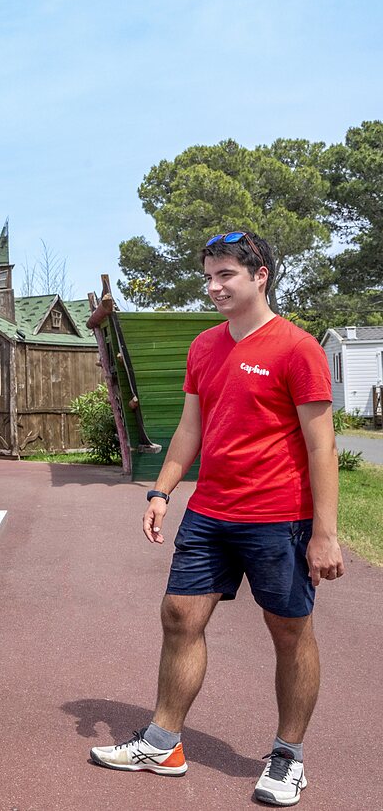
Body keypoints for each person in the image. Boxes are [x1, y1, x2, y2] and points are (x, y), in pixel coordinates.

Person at [88, 230, 343, 807]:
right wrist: (161, 490)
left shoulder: (296, 348)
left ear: (260, 276)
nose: (214, 286)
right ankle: (163, 742)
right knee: (179, 616)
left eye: (225, 274)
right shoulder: (204, 347)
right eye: (209, 276)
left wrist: (325, 533)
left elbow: (322, 445)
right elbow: (190, 429)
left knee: (289, 631)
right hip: (210, 510)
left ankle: (287, 756)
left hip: (280, 516)